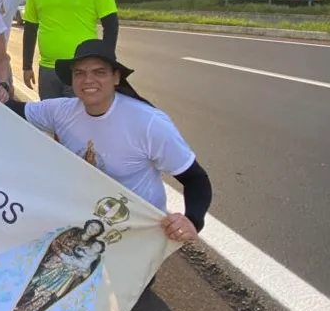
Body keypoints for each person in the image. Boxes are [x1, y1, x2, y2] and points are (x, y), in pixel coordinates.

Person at [11, 38, 212, 246]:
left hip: (137, 233)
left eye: (99, 72)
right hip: (84, 223)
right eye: (79, 73)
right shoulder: (61, 111)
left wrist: (192, 220)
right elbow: (11, 108)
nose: (88, 80)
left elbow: (196, 179)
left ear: (116, 77)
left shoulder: (149, 123)